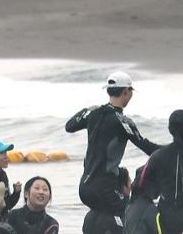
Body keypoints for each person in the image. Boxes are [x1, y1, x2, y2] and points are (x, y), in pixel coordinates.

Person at [65, 71, 161, 218]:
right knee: (133, 214)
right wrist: (176, 148)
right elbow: (148, 148)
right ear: (126, 91)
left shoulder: (93, 113)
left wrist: (87, 110)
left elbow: (69, 126)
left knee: (104, 223)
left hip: (84, 187)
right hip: (105, 189)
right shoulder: (122, 121)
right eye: (131, 91)